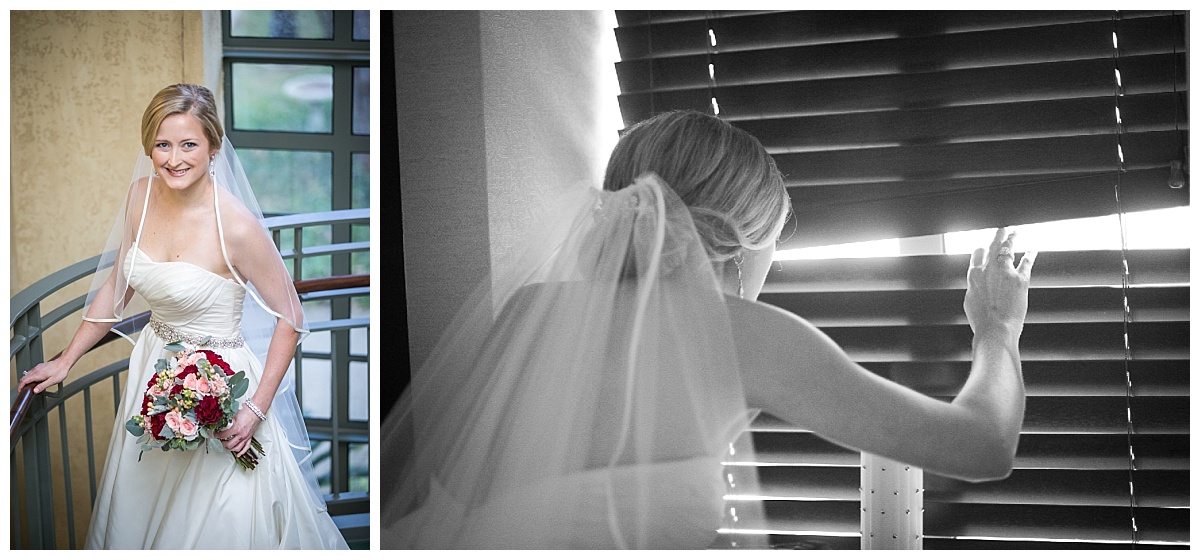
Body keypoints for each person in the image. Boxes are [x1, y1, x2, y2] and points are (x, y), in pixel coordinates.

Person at [379, 110, 1036, 549]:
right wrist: (998, 332)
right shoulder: (740, 335)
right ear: (744, 244)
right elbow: (981, 446)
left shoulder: (530, 311)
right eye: (776, 241)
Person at [17, 84, 349, 550]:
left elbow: (290, 318)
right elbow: (117, 286)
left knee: (218, 525)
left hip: (223, 393)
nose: (174, 158)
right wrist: (65, 360)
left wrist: (254, 409)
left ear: (214, 146)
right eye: (162, 144)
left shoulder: (236, 226)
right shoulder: (141, 197)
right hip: (151, 376)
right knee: (144, 513)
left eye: (188, 144)